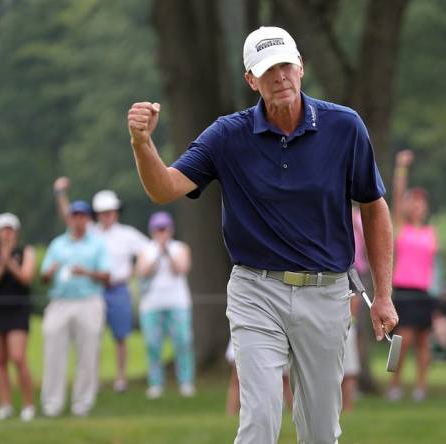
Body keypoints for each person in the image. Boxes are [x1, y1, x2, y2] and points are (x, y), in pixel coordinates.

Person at [126, 26, 396, 444]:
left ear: (301, 66)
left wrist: (383, 293)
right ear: (251, 80)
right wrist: (143, 143)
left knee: (322, 431)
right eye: (268, 70)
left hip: (325, 293)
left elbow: (374, 207)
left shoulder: (345, 127)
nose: (280, 76)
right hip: (256, 291)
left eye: (286, 65)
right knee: (259, 421)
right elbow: (164, 188)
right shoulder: (227, 135)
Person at [53, 178, 148, 392]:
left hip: (118, 288)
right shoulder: (91, 233)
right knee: (91, 336)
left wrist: (134, 272)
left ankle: (120, 378)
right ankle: (91, 379)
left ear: (116, 212)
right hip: (94, 289)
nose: (108, 215)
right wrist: (60, 194)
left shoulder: (127, 234)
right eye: (104, 212)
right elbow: (69, 217)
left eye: (111, 211)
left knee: (120, 336)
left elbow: (146, 251)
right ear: (97, 214)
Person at [40, 201, 110, 417]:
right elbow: (43, 277)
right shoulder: (58, 244)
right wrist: (49, 273)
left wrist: (86, 273)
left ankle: (82, 404)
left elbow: (107, 276)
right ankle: (52, 404)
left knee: (87, 355)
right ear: (69, 218)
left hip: (89, 301)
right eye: (74, 215)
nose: (78, 219)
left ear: (88, 219)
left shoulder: (97, 244)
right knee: (53, 353)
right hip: (60, 302)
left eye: (82, 216)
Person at [387, 149, 438, 402]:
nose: (417, 205)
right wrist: (401, 169)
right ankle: (394, 384)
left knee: (423, 346)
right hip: (404, 291)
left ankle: (420, 387)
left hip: (424, 292)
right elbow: (397, 197)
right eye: (413, 201)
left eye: (421, 202)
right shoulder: (400, 228)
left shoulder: (431, 232)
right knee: (401, 342)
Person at [0, 213, 36, 421]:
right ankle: (6, 405)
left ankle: (28, 405)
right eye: (3, 229)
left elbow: (26, 278)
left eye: (10, 229)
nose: (7, 233)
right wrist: (2, 265)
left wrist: (11, 263)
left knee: (18, 358)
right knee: (0, 361)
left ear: (16, 232)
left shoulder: (25, 252)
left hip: (17, 310)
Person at [135, 211, 195, 399]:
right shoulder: (145, 250)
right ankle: (155, 383)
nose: (162, 232)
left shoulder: (181, 248)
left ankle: (185, 381)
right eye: (158, 229)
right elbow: (142, 272)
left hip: (178, 302)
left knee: (183, 341)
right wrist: (157, 254)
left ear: (171, 230)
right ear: (152, 231)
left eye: (164, 228)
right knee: (153, 344)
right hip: (151, 304)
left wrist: (167, 252)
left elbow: (181, 269)